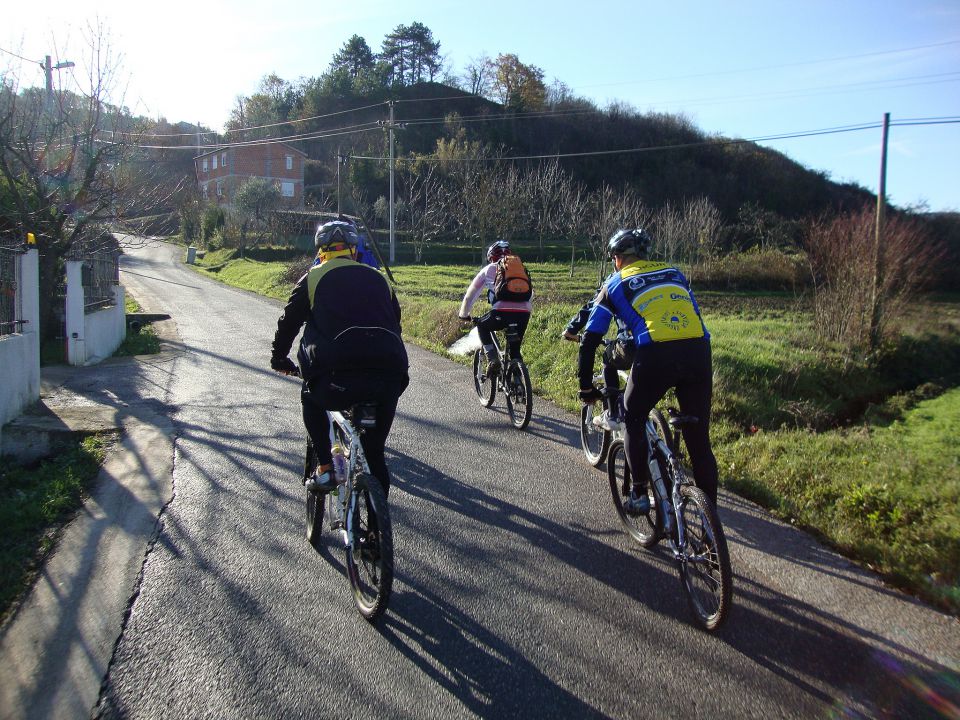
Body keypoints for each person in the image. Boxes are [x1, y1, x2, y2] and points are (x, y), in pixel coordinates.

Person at [577, 228, 718, 511]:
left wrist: (585, 387)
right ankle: (709, 529)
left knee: (633, 416)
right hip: (698, 349)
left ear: (617, 258)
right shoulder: (675, 273)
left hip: (655, 351)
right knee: (699, 444)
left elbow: (590, 339)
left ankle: (639, 493)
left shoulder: (615, 283)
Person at [271, 219, 408, 497]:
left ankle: (326, 467)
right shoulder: (379, 277)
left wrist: (279, 358)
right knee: (374, 453)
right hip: (389, 378)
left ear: (321, 252)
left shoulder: (313, 278)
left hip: (335, 379)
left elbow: (288, 323)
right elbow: (396, 323)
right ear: (354, 250)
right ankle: (376, 530)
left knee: (310, 397)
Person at [562, 283, 634, 431]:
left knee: (608, 357)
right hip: (682, 344)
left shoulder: (614, 282)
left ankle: (612, 414)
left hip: (634, 343)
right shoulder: (667, 274)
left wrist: (571, 329)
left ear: (616, 260)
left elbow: (593, 306)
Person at [458, 240, 532, 375]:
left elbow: (470, 295)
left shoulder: (488, 269)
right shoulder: (520, 268)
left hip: (501, 312)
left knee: (482, 325)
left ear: (491, 256)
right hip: (524, 313)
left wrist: (464, 313)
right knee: (515, 351)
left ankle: (492, 359)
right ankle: (520, 386)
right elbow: (530, 293)